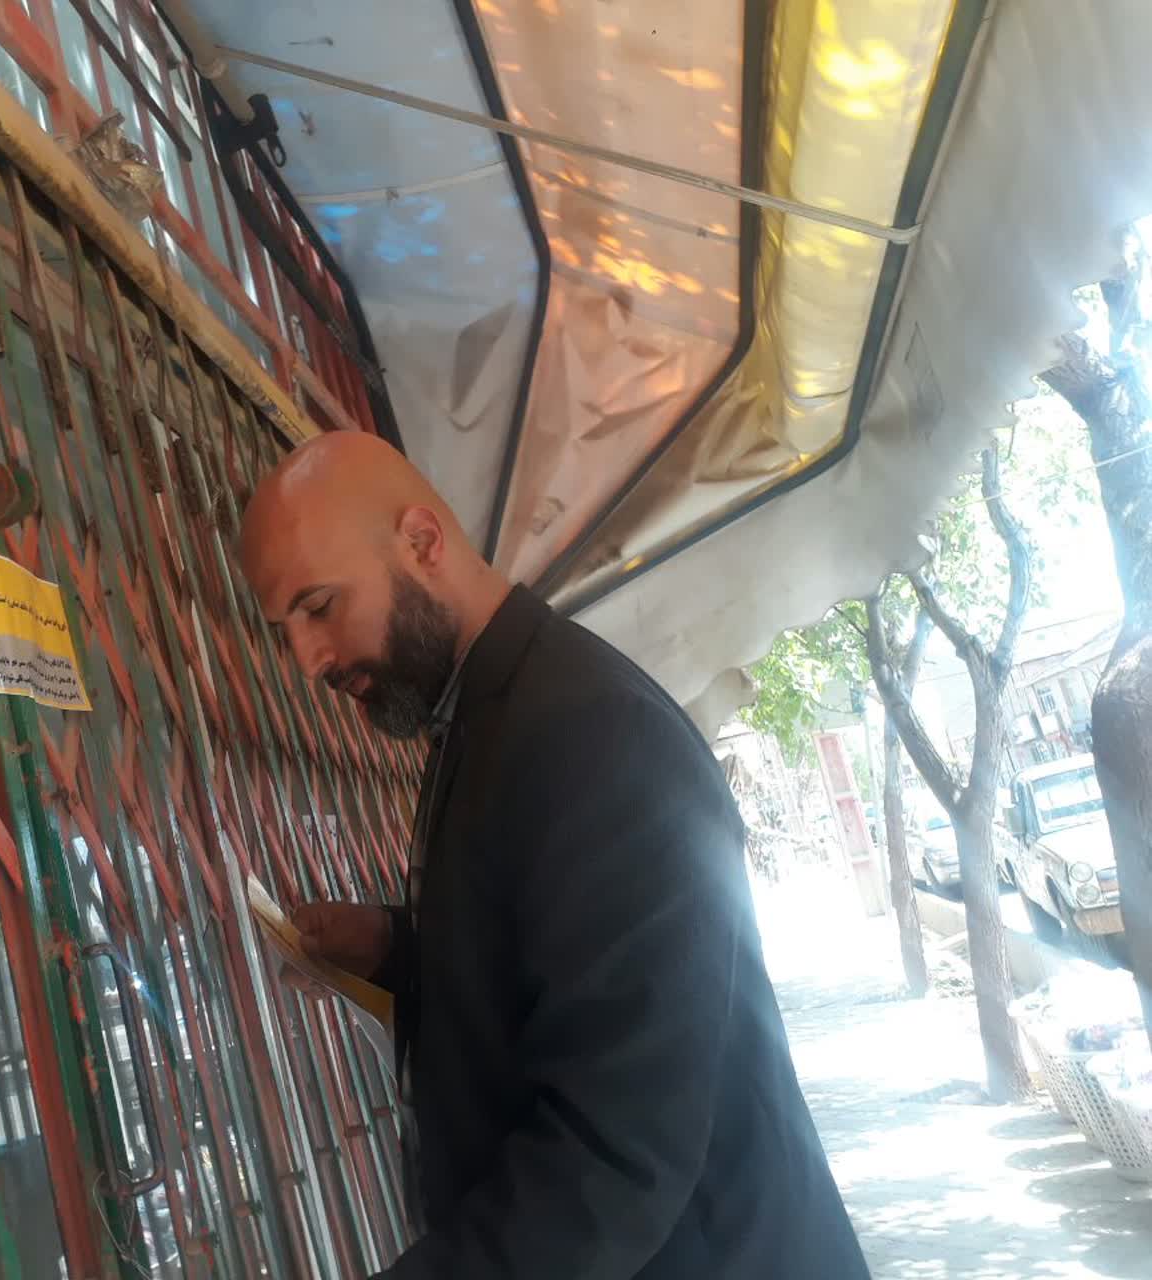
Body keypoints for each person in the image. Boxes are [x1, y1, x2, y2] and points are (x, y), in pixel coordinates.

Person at [237, 432, 869, 1279]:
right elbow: (557, 963)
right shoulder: (493, 717)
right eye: (284, 629)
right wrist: (393, 947)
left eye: (317, 607)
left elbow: (614, 1154)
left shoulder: (590, 732)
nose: (306, 659)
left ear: (421, 542)